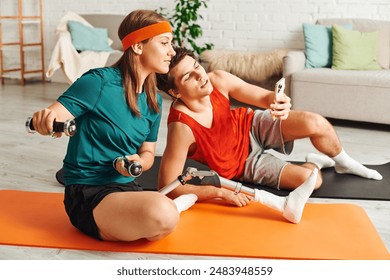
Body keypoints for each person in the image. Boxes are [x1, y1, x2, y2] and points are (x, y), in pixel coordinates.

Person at [156, 47, 383, 219]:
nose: (200, 76)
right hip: (243, 165)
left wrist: (278, 100)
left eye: (196, 66)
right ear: (175, 91)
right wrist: (219, 193)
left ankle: (344, 162)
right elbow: (167, 186)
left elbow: (263, 97)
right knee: (311, 181)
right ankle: (314, 163)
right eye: (188, 77)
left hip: (250, 124)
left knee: (316, 122)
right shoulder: (181, 127)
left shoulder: (217, 79)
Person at [30, 10, 198, 242]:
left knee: (162, 213)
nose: (172, 52)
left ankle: (158, 212)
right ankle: (166, 211)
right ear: (138, 47)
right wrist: (45, 121)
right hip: (88, 192)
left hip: (127, 187)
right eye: (164, 43)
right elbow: (52, 116)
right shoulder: (98, 82)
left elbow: (148, 153)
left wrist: (139, 161)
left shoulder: (154, 101)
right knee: (164, 213)